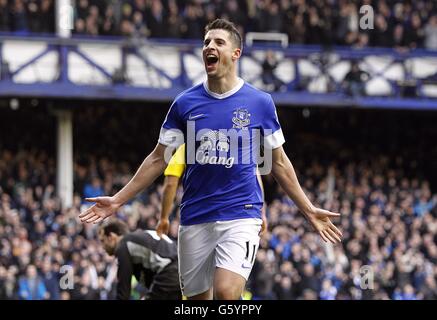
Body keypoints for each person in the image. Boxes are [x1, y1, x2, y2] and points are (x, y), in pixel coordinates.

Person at [79, 18, 342, 300]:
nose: (209, 47)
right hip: (195, 217)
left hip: (241, 213)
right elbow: (158, 159)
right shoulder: (184, 104)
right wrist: (119, 199)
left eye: (218, 42)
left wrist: (308, 209)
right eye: (206, 42)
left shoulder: (259, 103)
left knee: (227, 295)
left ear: (235, 53)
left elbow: (278, 163)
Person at [155, 144, 268, 238]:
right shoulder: (238, 145)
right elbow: (255, 172)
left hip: (197, 218)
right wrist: (261, 211)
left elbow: (170, 184)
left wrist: (164, 217)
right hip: (234, 218)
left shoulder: (187, 145)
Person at [98, 219, 181, 300]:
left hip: (168, 273)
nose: (102, 247)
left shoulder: (123, 246)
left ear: (112, 237)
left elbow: (123, 293)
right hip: (180, 272)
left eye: (102, 240)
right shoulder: (139, 238)